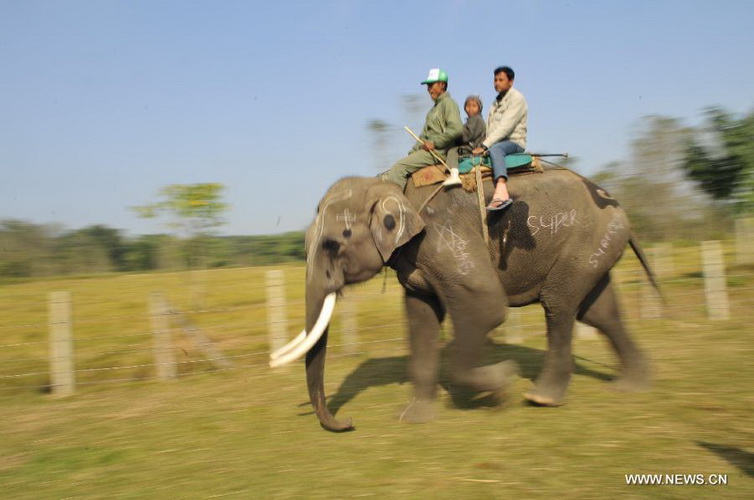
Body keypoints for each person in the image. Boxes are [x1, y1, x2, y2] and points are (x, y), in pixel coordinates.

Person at [380, 68, 463, 190]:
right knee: (398, 165)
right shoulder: (432, 111)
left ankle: (392, 204)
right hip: (428, 151)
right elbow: (423, 138)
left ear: (442, 85)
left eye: (431, 85)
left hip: (440, 151)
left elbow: (457, 128)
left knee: (399, 167)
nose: (429, 89)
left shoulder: (449, 103)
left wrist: (435, 143)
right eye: (428, 86)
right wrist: (411, 155)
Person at [472, 66, 528, 211]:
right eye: (495, 80)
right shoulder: (495, 103)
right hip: (497, 142)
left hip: (513, 142)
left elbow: (505, 127)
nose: (497, 83)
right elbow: (491, 129)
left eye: (501, 80)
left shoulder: (517, 99)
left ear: (511, 81)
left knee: (496, 149)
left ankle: (501, 191)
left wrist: (485, 146)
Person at [445, 95, 486, 186]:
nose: (470, 108)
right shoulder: (471, 121)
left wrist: (452, 137)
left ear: (479, 108)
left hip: (473, 148)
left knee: (452, 150)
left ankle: (454, 174)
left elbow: (466, 136)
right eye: (468, 106)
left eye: (474, 106)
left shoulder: (476, 120)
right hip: (471, 146)